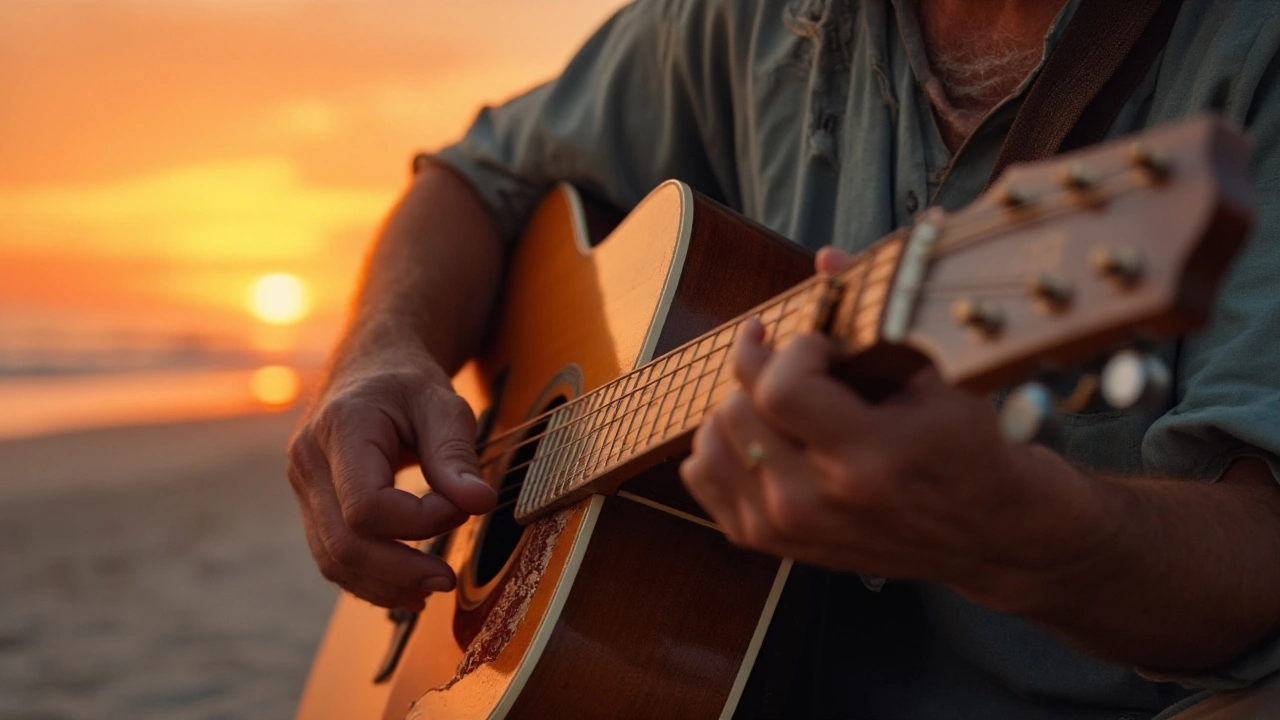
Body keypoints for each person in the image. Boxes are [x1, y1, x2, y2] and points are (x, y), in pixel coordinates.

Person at [285, 1, 1280, 717]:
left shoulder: (1244, 52)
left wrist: (1014, 532)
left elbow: (1260, 565)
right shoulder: (749, 22)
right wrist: (379, 354)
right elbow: (478, 175)